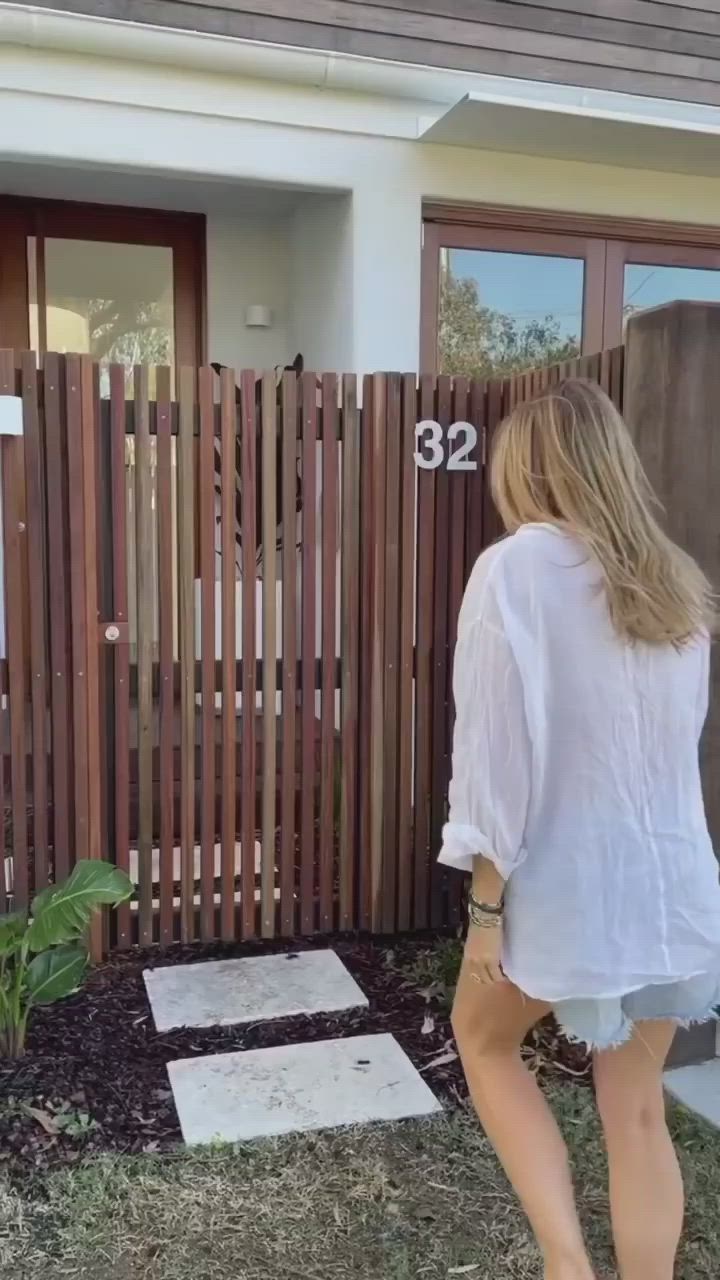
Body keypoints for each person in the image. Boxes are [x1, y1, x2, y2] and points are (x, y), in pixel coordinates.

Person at [439, 379, 720, 1280]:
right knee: (636, 1108)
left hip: (567, 888)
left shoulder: (516, 570)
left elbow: (495, 760)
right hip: (673, 891)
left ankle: (568, 1264)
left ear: (527, 471)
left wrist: (486, 908)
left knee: (483, 1041)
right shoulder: (677, 583)